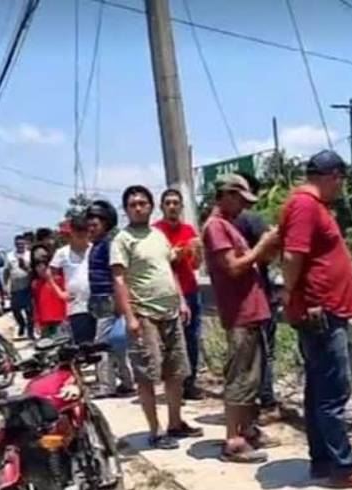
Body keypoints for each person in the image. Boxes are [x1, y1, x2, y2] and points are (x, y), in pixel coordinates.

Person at [279, 150, 352, 489]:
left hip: (322, 308)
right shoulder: (306, 206)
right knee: (333, 393)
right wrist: (295, 294)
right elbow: (293, 255)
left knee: (319, 391)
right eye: (340, 180)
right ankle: (342, 466)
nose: (341, 187)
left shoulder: (308, 206)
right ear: (333, 176)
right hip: (319, 311)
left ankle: (324, 460)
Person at [112, 185, 201, 449]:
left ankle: (175, 422)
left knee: (176, 372)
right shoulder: (123, 239)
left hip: (171, 312)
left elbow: (168, 268)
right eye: (133, 204)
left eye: (142, 203)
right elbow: (118, 279)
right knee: (147, 374)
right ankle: (155, 430)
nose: (138, 207)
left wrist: (181, 300)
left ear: (151, 206)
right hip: (144, 314)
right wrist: (130, 317)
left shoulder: (158, 235)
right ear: (127, 209)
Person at [202, 174, 283, 463]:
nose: (243, 209)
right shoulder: (215, 228)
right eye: (240, 200)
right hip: (240, 312)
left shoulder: (227, 227)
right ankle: (233, 440)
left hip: (253, 310)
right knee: (240, 378)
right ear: (227, 196)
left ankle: (248, 429)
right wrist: (261, 246)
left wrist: (268, 247)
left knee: (252, 377)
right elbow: (234, 267)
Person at [234, 173, 282, 421]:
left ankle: (248, 404)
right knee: (264, 352)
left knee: (247, 356)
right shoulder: (251, 220)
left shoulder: (219, 223)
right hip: (259, 295)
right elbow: (269, 254)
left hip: (236, 300)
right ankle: (267, 402)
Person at [154, 188, 205, 401]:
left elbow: (196, 264)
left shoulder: (188, 230)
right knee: (171, 343)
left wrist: (197, 251)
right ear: (162, 207)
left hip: (190, 290)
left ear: (181, 206)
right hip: (167, 293)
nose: (172, 206)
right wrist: (174, 255)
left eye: (176, 203)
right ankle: (173, 387)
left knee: (192, 339)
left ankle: (190, 383)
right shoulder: (156, 232)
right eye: (168, 203)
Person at [86, 200, 136, 397]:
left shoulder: (108, 246)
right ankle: (127, 381)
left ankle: (107, 386)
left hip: (109, 300)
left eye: (95, 225)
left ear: (105, 225)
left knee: (103, 344)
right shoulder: (96, 246)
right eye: (89, 225)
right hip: (99, 300)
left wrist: (119, 304)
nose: (90, 229)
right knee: (116, 344)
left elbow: (117, 275)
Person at [50, 215, 95, 343]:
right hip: (77, 306)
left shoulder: (94, 249)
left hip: (98, 304)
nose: (81, 237)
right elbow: (50, 274)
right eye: (78, 233)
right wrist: (60, 293)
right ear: (72, 233)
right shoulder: (62, 253)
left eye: (84, 233)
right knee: (84, 345)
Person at [31, 246, 67, 339]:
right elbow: (36, 305)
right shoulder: (35, 284)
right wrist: (37, 322)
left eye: (43, 266)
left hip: (59, 319)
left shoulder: (58, 280)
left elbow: (65, 300)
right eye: (37, 267)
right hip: (44, 321)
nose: (40, 269)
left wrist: (66, 318)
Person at [3, 235, 35, 340]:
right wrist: (5, 285)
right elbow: (6, 272)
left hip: (28, 287)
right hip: (15, 288)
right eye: (18, 244)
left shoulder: (30, 255)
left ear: (25, 244)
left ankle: (30, 333)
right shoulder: (10, 256)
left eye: (22, 244)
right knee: (15, 310)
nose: (20, 246)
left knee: (29, 311)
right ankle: (22, 324)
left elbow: (34, 270)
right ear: (15, 244)